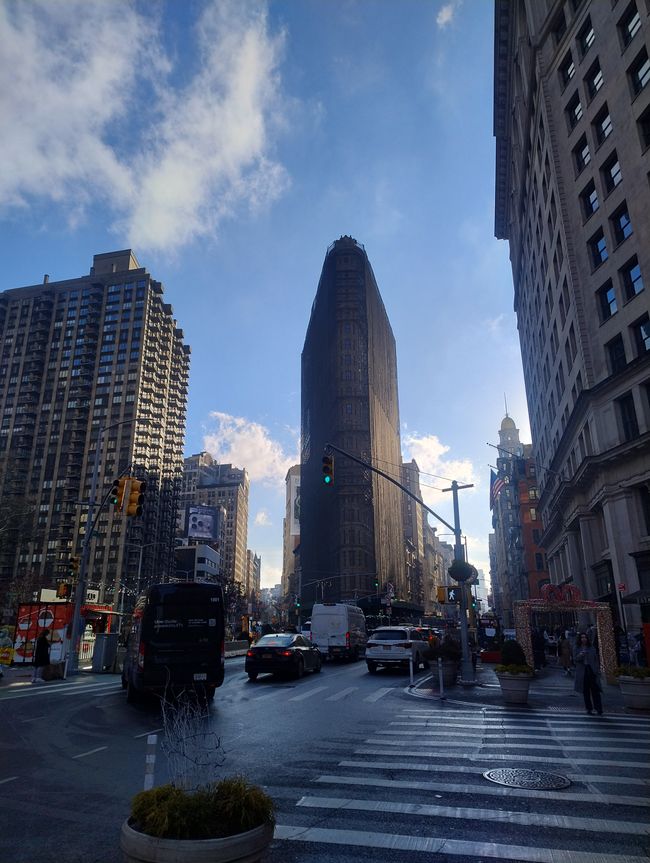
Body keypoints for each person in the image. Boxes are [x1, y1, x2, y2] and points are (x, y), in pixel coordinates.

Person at [573, 631, 602, 715]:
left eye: (585, 637)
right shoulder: (576, 648)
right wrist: (581, 655)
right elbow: (575, 659)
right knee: (585, 691)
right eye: (582, 637)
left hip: (591, 670)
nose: (584, 639)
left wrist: (597, 669)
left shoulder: (591, 648)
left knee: (595, 690)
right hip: (583, 670)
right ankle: (589, 708)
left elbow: (595, 659)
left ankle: (598, 708)